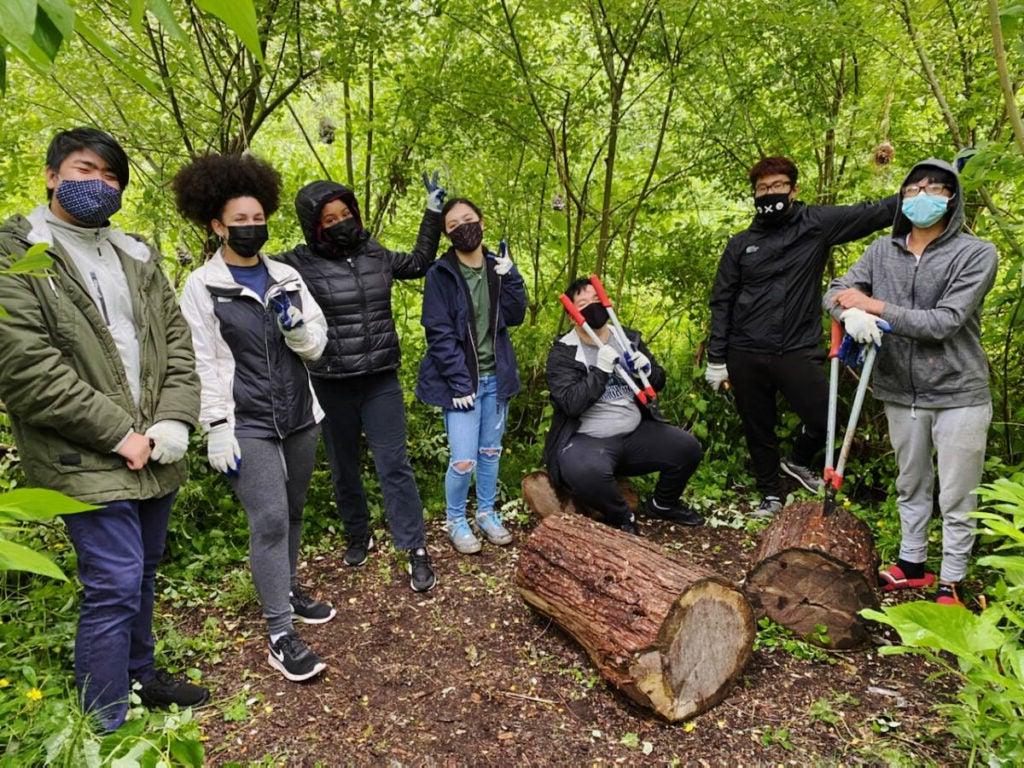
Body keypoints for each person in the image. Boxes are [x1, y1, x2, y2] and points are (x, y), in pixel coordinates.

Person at [0, 127, 206, 731]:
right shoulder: (19, 255)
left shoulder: (136, 255)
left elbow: (178, 345)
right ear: (52, 174)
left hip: (156, 446)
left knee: (143, 569)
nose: (100, 185)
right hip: (81, 453)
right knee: (114, 581)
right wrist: (122, 433)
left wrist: (174, 419)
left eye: (112, 177)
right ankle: (106, 719)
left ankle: (138, 676)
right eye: (86, 170)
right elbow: (26, 368)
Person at [174, 153, 334, 681]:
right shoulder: (202, 286)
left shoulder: (286, 275)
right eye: (238, 221)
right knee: (267, 520)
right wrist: (215, 427)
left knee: (291, 512)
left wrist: (298, 331)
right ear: (217, 224)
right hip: (247, 422)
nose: (250, 227)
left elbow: (316, 347)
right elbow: (199, 360)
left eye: (257, 218)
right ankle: (280, 633)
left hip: (299, 415)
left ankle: (286, 586)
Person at [824, 158, 997, 607]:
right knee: (911, 482)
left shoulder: (976, 254)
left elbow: (944, 322)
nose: (923, 196)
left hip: (959, 392)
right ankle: (912, 565)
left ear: (952, 198)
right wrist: (850, 314)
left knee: (957, 492)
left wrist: (874, 306)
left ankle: (952, 579)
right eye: (913, 188)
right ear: (902, 198)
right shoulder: (883, 251)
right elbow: (836, 291)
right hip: (900, 387)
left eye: (935, 188)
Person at [706, 156, 898, 518]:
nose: (770, 193)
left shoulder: (816, 223)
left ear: (794, 189)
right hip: (745, 350)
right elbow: (722, 300)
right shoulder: (740, 244)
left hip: (796, 347)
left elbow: (873, 213)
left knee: (826, 418)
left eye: (778, 186)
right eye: (762, 189)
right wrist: (717, 359)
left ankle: (796, 460)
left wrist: (927, 187)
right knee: (758, 425)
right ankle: (770, 495)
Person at [277, 175, 444, 591]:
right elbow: (251, 270)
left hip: (380, 377)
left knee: (394, 465)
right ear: (314, 225)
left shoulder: (376, 253)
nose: (340, 222)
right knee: (343, 466)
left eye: (345, 214)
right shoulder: (297, 263)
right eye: (329, 218)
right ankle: (358, 533)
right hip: (330, 380)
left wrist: (433, 211)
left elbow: (421, 262)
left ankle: (415, 549)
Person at [543, 278, 704, 534]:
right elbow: (571, 404)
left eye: (596, 300)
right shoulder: (563, 352)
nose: (592, 307)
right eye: (583, 304)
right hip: (588, 439)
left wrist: (648, 369)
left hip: (634, 433)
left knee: (688, 448)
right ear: (572, 315)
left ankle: (663, 504)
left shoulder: (627, 337)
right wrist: (600, 371)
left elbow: (658, 383)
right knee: (583, 471)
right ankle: (620, 517)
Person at [415, 199, 527, 553]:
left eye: (468, 219)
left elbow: (516, 314)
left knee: (491, 452)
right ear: (447, 233)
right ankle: (456, 519)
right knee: (464, 460)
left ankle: (485, 513)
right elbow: (438, 332)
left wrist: (512, 276)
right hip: (461, 383)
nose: (462, 226)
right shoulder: (441, 274)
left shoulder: (497, 267)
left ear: (482, 222)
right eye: (453, 223)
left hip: (497, 377)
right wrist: (459, 381)